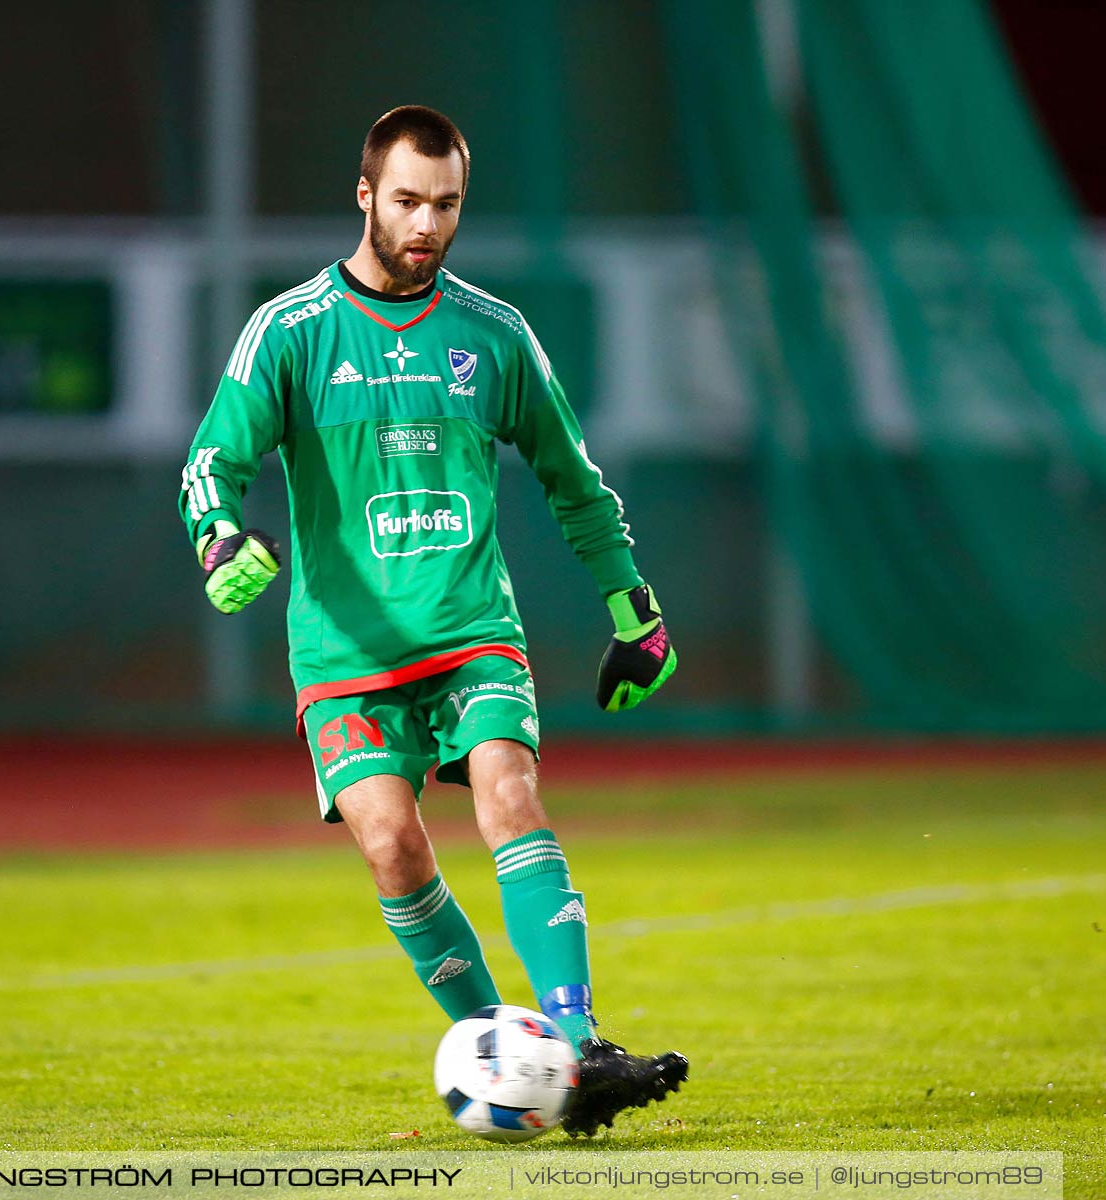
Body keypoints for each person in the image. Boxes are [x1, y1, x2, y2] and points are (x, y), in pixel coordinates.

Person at [178, 105, 685, 1137]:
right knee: (392, 846)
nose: (427, 222)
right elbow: (209, 464)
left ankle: (581, 1046)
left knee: (509, 792)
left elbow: (575, 483)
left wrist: (639, 613)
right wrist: (220, 542)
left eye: (446, 203)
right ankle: (518, 1055)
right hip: (345, 653)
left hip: (469, 631)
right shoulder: (291, 332)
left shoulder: (494, 337)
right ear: (365, 196)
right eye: (408, 200)